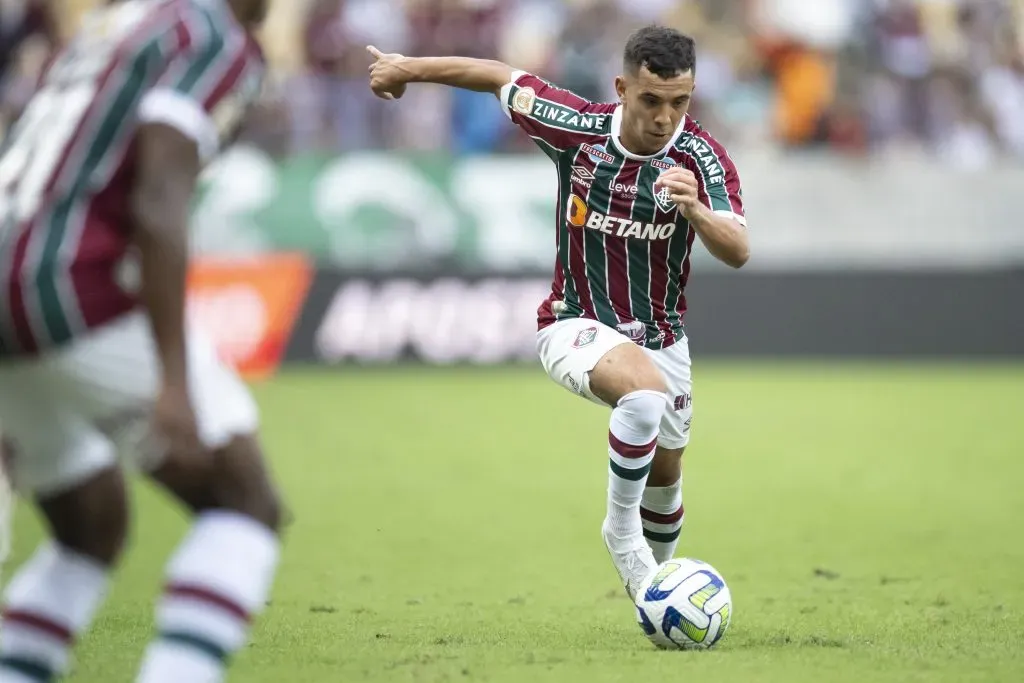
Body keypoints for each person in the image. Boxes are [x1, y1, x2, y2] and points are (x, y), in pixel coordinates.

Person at [367, 25, 749, 601]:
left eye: (679, 102)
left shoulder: (702, 159)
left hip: (663, 338)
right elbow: (499, 75)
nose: (665, 118)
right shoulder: (577, 129)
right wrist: (405, 66)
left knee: (666, 480)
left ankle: (655, 593)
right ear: (622, 88)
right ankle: (621, 535)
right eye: (651, 100)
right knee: (644, 398)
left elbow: (738, 249)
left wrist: (694, 208)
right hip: (574, 323)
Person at [0, 1, 282, 681]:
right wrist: (174, 383)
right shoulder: (211, 36)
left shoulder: (117, 25)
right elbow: (157, 200)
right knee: (243, 503)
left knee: (90, 525)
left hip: (10, 277)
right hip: (67, 282)